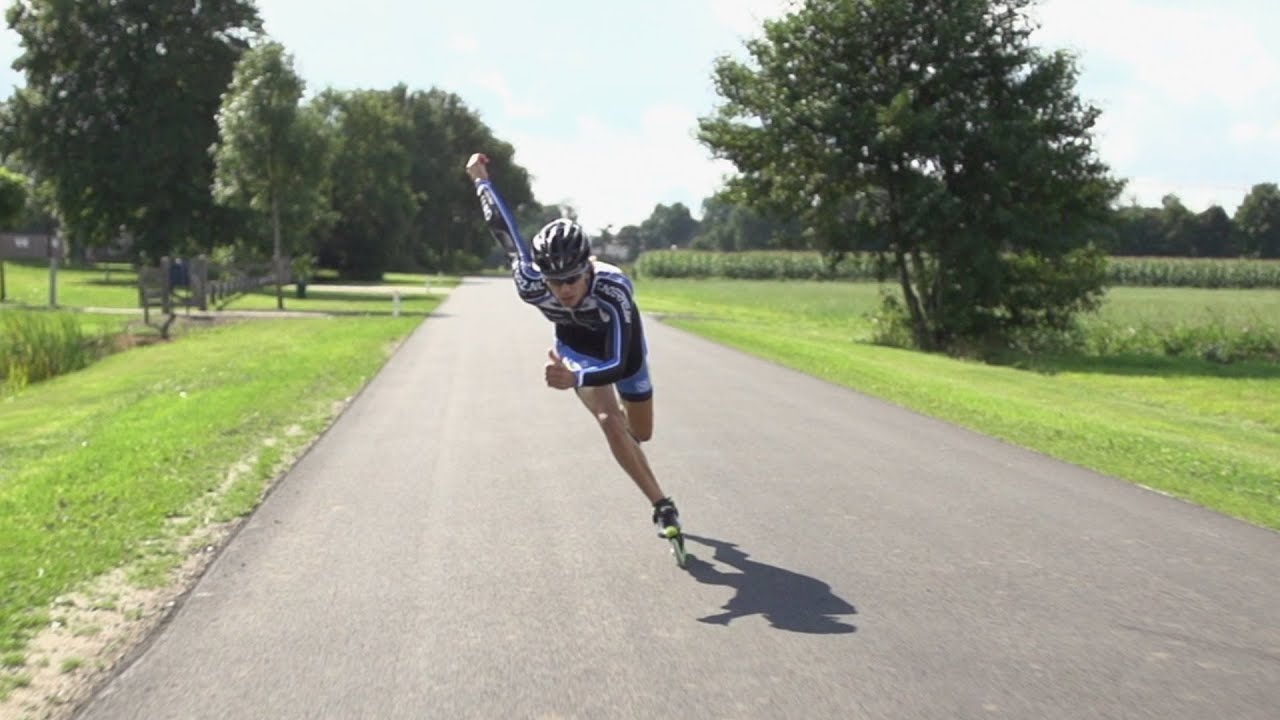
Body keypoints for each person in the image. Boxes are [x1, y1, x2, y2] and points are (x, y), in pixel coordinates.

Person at [464, 152, 682, 542]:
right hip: (576, 348)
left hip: (622, 353)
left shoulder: (613, 289)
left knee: (641, 434)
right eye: (555, 281)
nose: (563, 290)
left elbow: (616, 360)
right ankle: (661, 503)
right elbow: (502, 229)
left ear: (588, 269)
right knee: (608, 421)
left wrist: (577, 376)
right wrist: (480, 179)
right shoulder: (531, 282)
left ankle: (623, 427)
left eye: (572, 279)